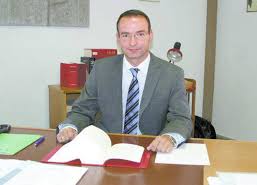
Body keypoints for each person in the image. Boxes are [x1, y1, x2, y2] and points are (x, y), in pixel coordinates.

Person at [56, 9, 192, 153]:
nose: (132, 42)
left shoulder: (172, 74)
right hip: (107, 147)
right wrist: (70, 127)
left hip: (151, 148)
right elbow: (82, 110)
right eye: (125, 35)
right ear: (118, 38)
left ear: (150, 36)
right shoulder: (101, 69)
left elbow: (181, 118)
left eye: (140, 34)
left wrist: (169, 137)